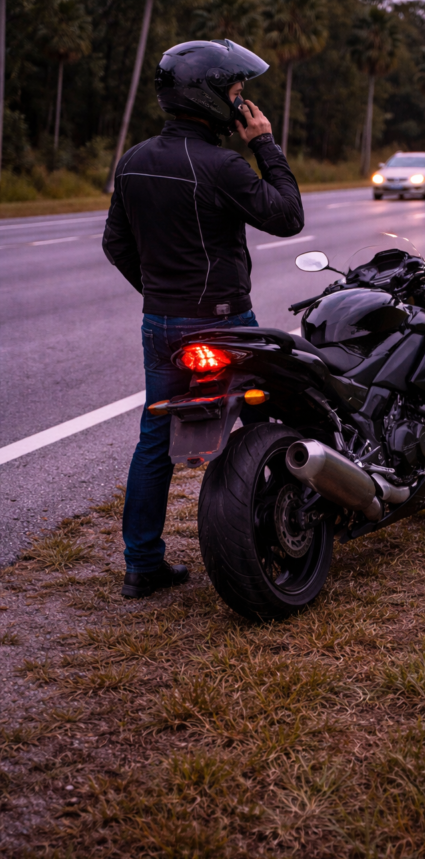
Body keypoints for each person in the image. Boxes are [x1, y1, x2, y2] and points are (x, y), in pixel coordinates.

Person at [102, 39, 304, 599]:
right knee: (264, 420)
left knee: (153, 438)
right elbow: (288, 216)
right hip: (226, 321)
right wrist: (264, 143)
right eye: (238, 96)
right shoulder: (222, 166)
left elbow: (115, 243)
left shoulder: (135, 160)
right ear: (210, 98)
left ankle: (142, 565)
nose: (243, 107)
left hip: (163, 323)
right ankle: (286, 528)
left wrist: (159, 293)